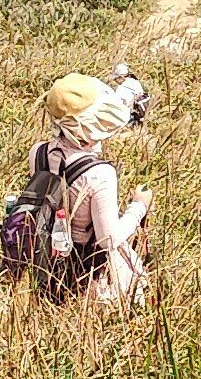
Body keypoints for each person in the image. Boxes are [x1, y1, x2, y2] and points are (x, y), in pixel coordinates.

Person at [13, 71, 152, 305]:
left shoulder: (38, 152)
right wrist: (139, 206)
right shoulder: (100, 173)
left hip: (47, 258)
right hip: (87, 270)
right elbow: (109, 239)